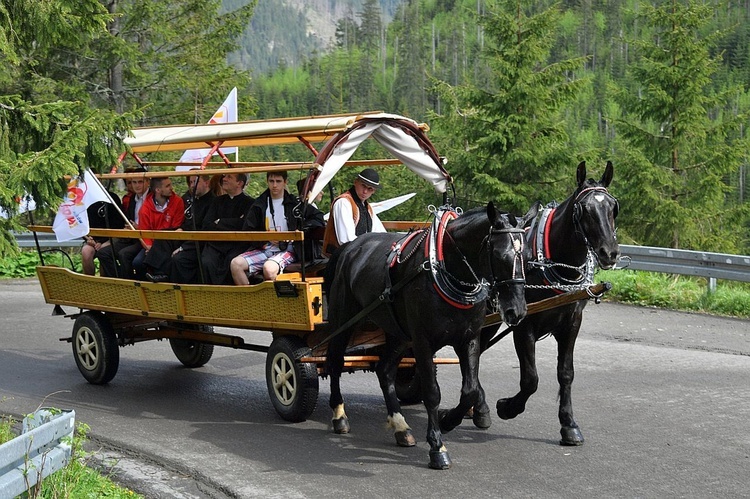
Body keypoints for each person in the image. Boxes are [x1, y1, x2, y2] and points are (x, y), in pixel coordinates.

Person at [230, 171, 324, 285]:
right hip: (265, 249)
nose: (275, 185)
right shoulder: (259, 204)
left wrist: (298, 231)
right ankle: (249, 299)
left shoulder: (295, 203)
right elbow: (248, 230)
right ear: (267, 182)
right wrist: (265, 239)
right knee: (236, 264)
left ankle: (271, 301)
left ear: (285, 182)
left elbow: (318, 218)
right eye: (271, 181)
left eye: (278, 181)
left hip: (289, 249)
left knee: (269, 269)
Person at [144, 174, 214, 283]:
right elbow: (188, 222)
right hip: (187, 235)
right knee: (163, 235)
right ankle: (160, 273)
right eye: (190, 182)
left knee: (179, 258)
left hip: (199, 242)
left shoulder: (212, 202)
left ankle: (178, 287)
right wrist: (180, 229)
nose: (192, 186)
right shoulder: (193, 200)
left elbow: (204, 230)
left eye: (195, 182)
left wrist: (182, 247)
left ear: (206, 183)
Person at [199, 172, 254, 284]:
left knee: (232, 262)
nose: (224, 179)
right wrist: (234, 222)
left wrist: (220, 221)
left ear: (239, 183)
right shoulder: (217, 201)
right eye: (224, 176)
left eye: (229, 177)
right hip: (216, 244)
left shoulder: (250, 203)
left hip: (237, 244)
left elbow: (244, 225)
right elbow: (207, 224)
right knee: (206, 262)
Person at [322, 168, 386, 256]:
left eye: (370, 188)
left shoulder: (368, 208)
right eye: (363, 186)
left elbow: (380, 233)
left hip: (359, 255)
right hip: (339, 258)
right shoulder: (343, 202)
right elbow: (346, 241)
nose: (365, 191)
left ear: (374, 191)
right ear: (356, 182)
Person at [131, 177, 184, 280]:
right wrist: (149, 246)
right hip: (153, 244)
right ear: (158, 190)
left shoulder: (177, 202)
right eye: (167, 186)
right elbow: (144, 232)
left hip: (171, 242)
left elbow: (176, 226)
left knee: (170, 259)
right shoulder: (145, 208)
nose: (171, 188)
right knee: (137, 262)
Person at [81, 190, 125, 276]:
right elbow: (81, 224)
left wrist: (103, 241)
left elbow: (118, 224)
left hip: (111, 237)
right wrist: (89, 238)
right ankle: (89, 282)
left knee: (103, 250)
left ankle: (104, 281)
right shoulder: (85, 199)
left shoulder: (112, 198)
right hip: (93, 239)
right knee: (86, 251)